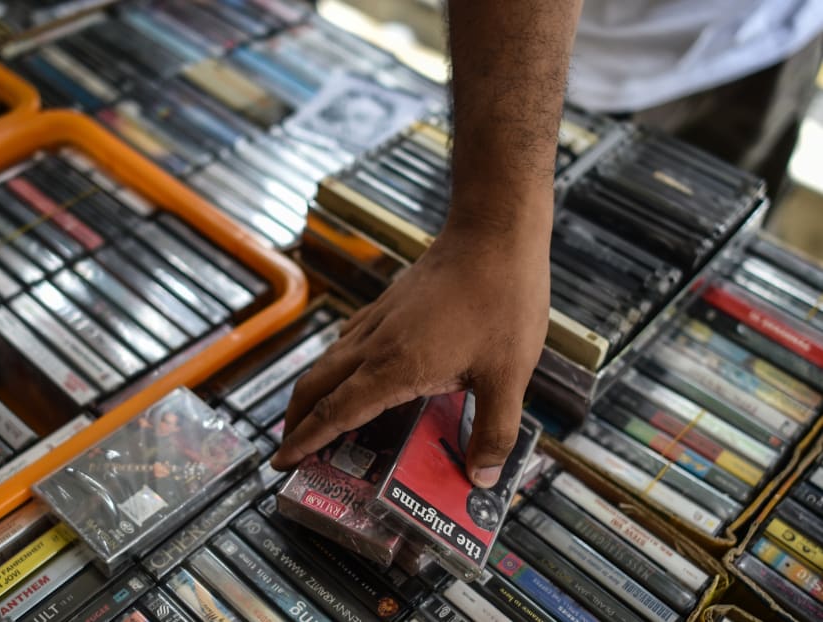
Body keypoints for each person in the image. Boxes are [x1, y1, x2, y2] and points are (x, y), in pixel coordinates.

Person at [272, 1, 823, 488]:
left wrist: (491, 237)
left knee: (704, 283)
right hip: (534, 51)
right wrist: (490, 232)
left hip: (764, 39)